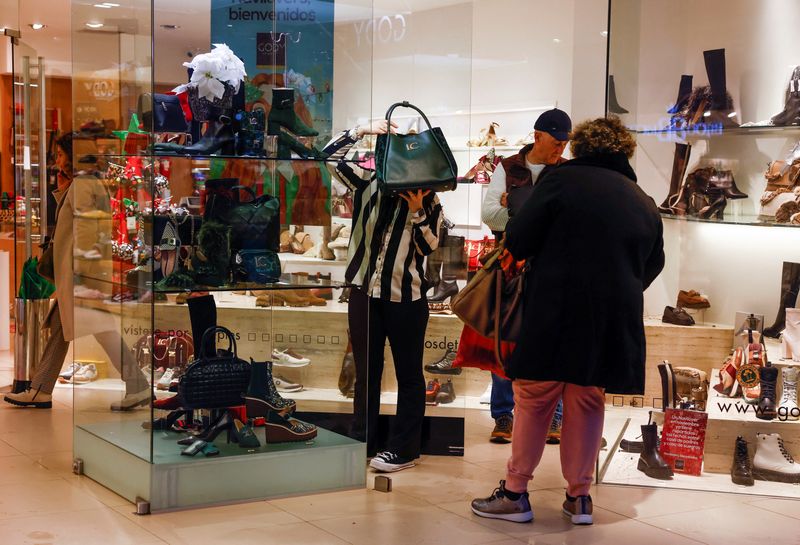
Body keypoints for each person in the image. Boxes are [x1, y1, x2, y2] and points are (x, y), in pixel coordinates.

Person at [471, 116, 665, 525]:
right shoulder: (641, 198)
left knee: (536, 396)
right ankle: (579, 499)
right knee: (587, 399)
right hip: (609, 317)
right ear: (624, 152)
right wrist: (618, 291)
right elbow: (654, 262)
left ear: (580, 147)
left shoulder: (559, 183)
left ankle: (515, 493)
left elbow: (520, 239)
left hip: (554, 308)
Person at [324, 120, 443, 473]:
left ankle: (405, 449)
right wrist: (362, 130)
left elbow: (428, 246)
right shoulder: (367, 182)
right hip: (364, 293)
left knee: (409, 375)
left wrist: (418, 210)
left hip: (406, 298)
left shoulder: (430, 198)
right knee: (367, 371)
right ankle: (363, 440)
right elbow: (329, 157)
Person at [4, 133, 151, 410]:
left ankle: (138, 385)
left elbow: (85, 230)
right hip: (81, 274)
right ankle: (40, 389)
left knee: (101, 327)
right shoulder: (83, 183)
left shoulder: (84, 184)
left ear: (71, 155)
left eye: (60, 154)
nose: (57, 160)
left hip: (81, 275)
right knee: (62, 327)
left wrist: (81, 277)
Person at [480, 109, 571, 444]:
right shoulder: (508, 167)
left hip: (552, 269)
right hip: (510, 263)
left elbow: (569, 221)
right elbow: (489, 215)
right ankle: (503, 415)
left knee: (553, 341)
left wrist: (517, 208)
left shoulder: (567, 171)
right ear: (538, 136)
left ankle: (555, 416)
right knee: (505, 340)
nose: (561, 148)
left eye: (565, 142)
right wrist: (530, 214)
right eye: (556, 141)